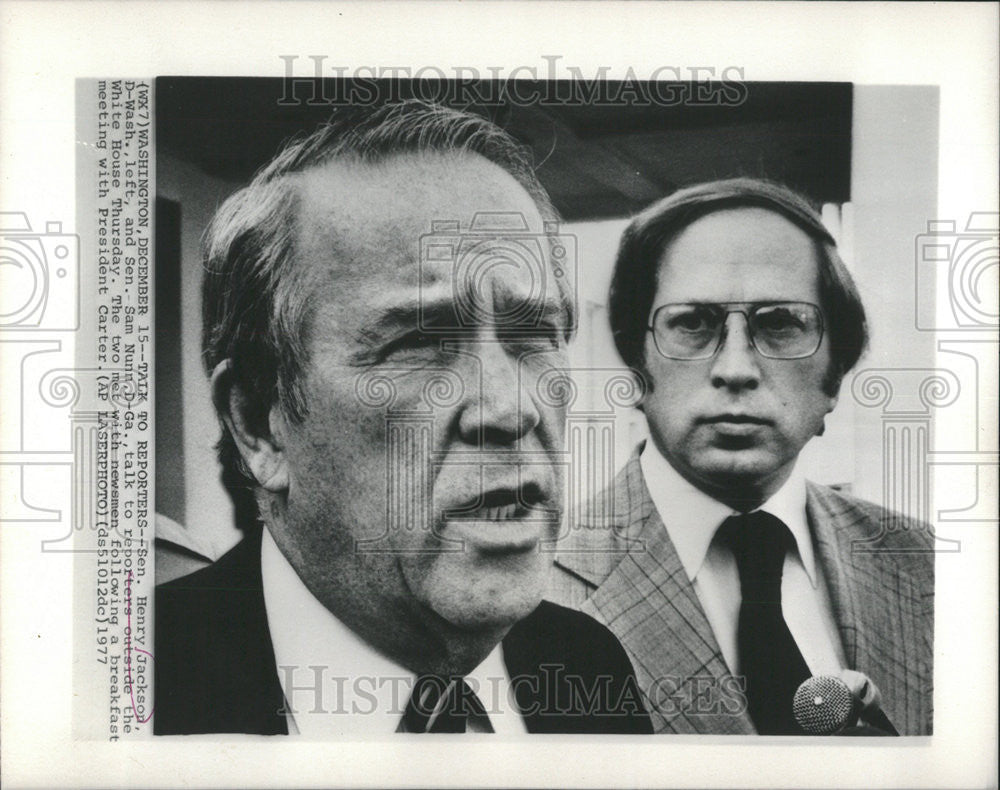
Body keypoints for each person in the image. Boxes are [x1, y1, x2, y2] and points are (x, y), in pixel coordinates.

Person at [154, 100, 651, 736]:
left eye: (533, 337)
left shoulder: (586, 665)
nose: (509, 408)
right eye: (419, 345)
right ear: (259, 422)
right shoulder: (119, 693)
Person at [548, 178, 934, 735]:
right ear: (635, 366)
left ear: (835, 375)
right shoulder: (533, 587)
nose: (735, 368)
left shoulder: (928, 567)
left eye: (780, 324)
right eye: (693, 323)